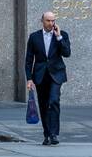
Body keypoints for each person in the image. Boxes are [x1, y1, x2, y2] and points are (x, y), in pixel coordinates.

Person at [25, 11, 71, 146]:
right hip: (40, 76)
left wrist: (59, 37)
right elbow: (28, 60)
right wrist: (29, 79)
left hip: (56, 75)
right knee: (44, 105)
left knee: (54, 101)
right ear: (42, 21)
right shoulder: (34, 37)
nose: (51, 23)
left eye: (53, 21)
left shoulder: (62, 35)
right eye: (48, 21)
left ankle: (54, 134)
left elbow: (67, 53)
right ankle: (47, 134)